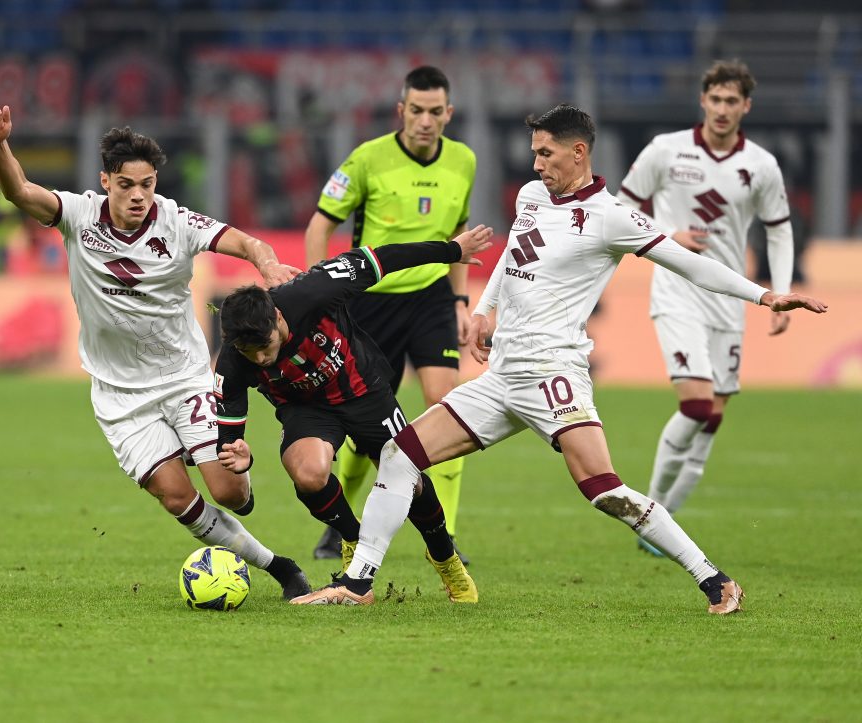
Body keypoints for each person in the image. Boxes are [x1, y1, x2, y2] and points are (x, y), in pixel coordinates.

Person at [291, 104, 827, 611]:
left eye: (546, 153)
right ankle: (358, 583)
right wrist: (483, 310)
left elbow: (688, 263)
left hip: (553, 374)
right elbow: (513, 258)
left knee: (604, 490)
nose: (536, 164)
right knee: (400, 454)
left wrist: (764, 295)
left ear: (578, 152)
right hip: (502, 376)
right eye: (534, 153)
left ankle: (715, 579)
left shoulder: (611, 218)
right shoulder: (531, 196)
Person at [0, 104, 311, 600]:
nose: (138, 195)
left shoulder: (177, 221)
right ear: (105, 182)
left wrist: (267, 264)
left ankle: (234, 470)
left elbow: (245, 242)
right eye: (126, 184)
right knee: (176, 497)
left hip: (183, 378)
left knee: (229, 492)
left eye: (147, 184)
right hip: (120, 396)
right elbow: (19, 192)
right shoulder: (78, 215)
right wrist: (0, 145)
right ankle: (280, 568)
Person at [214, 226, 495, 604]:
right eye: (251, 354)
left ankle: (445, 557)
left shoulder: (312, 291)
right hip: (306, 409)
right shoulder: (234, 360)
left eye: (265, 347)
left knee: (410, 481)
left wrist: (450, 251)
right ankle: (350, 537)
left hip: (364, 390)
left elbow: (383, 258)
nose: (261, 359)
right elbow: (230, 433)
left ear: (277, 317)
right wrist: (238, 455)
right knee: (308, 474)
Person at [617, 60, 799, 554]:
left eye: (731, 101)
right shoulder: (666, 150)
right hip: (676, 291)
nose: (722, 109)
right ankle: (652, 515)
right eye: (715, 99)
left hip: (729, 298)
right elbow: (620, 205)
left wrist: (780, 292)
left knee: (713, 415)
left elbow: (779, 229)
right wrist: (666, 234)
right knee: (695, 404)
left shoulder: (760, 165)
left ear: (746, 106)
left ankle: (666, 518)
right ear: (703, 100)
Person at [304, 65, 477, 563]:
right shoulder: (367, 159)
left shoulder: (464, 160)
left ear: (449, 113)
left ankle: (446, 535)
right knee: (368, 425)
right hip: (372, 300)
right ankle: (338, 527)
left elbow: (458, 237)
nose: (425, 120)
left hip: (431, 296)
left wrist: (460, 301)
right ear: (401, 110)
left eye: (435, 111)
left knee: (446, 406)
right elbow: (320, 226)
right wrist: (318, 294)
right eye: (416, 110)